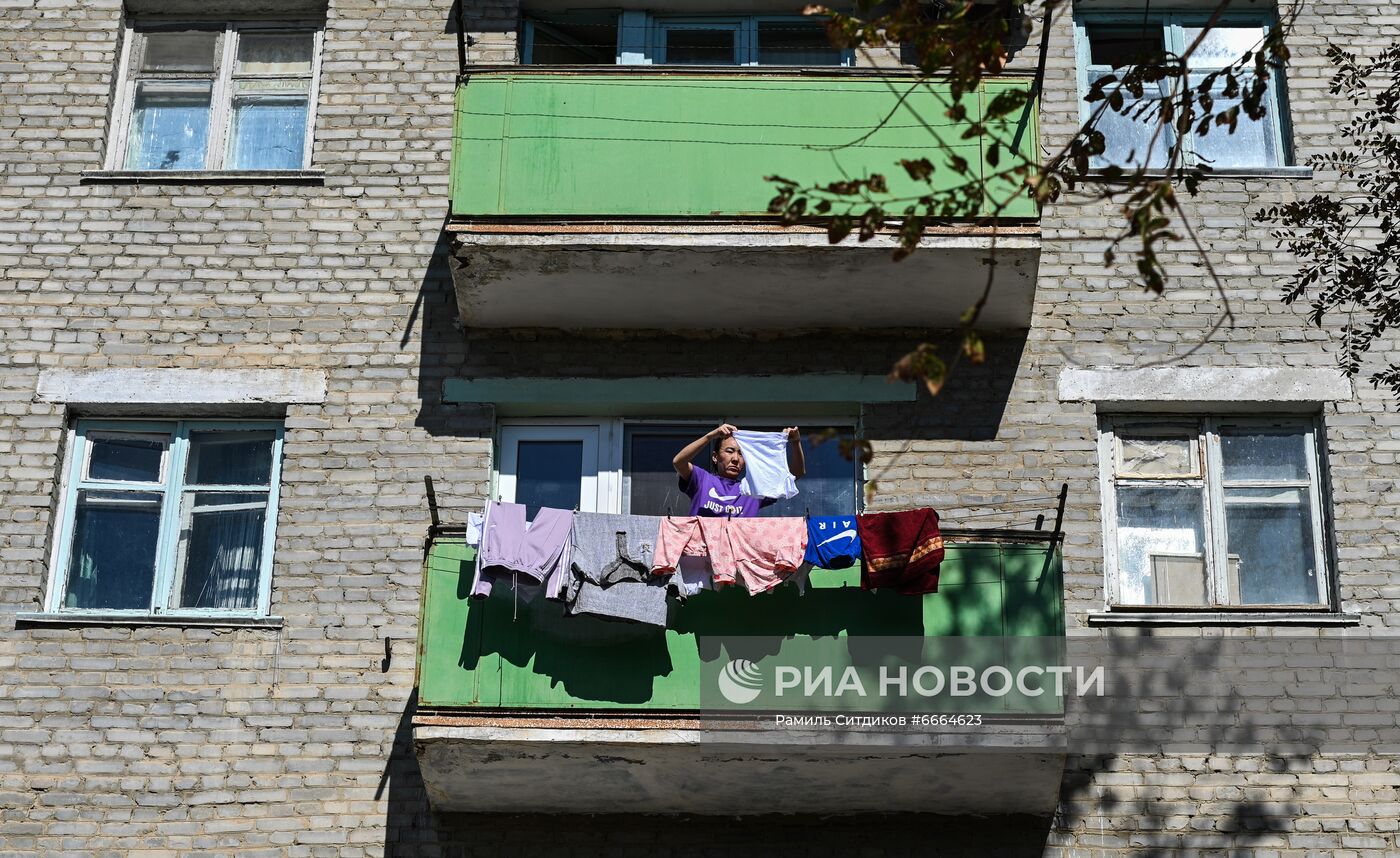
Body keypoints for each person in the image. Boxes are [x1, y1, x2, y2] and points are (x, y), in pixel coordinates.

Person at [672, 423, 806, 517]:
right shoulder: (702, 479)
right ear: (715, 457)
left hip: (738, 556)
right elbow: (679, 462)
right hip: (700, 554)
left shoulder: (754, 488)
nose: (735, 458)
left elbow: (795, 475)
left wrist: (795, 443)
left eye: (742, 454)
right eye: (729, 451)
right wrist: (710, 436)